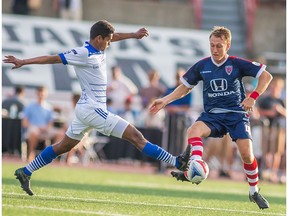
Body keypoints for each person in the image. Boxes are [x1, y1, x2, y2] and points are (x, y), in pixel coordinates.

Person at [3, 20, 191, 196]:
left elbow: (114, 36)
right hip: (93, 110)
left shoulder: (100, 47)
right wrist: (23, 61)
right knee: (136, 137)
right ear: (99, 39)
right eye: (107, 41)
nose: (110, 44)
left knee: (62, 146)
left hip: (86, 110)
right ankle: (176, 161)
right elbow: (53, 58)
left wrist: (133, 35)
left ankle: (26, 171)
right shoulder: (82, 53)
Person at [149, 26, 272, 209]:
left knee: (247, 154)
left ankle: (254, 191)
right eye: (212, 46)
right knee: (193, 130)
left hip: (236, 115)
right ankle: (194, 167)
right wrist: (165, 100)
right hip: (212, 115)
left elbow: (266, 76)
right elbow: (185, 87)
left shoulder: (236, 64)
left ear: (228, 45)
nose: (215, 50)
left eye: (219, 46)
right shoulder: (202, 65)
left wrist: (252, 97)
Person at [22, 86, 63, 162]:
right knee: (34, 131)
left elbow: (50, 124)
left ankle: (52, 155)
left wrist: (46, 128)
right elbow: (24, 122)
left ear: (46, 94)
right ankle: (31, 154)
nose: (41, 95)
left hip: (45, 130)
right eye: (40, 93)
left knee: (61, 133)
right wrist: (35, 126)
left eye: (43, 93)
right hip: (33, 129)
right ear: (37, 93)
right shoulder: (30, 106)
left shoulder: (48, 107)